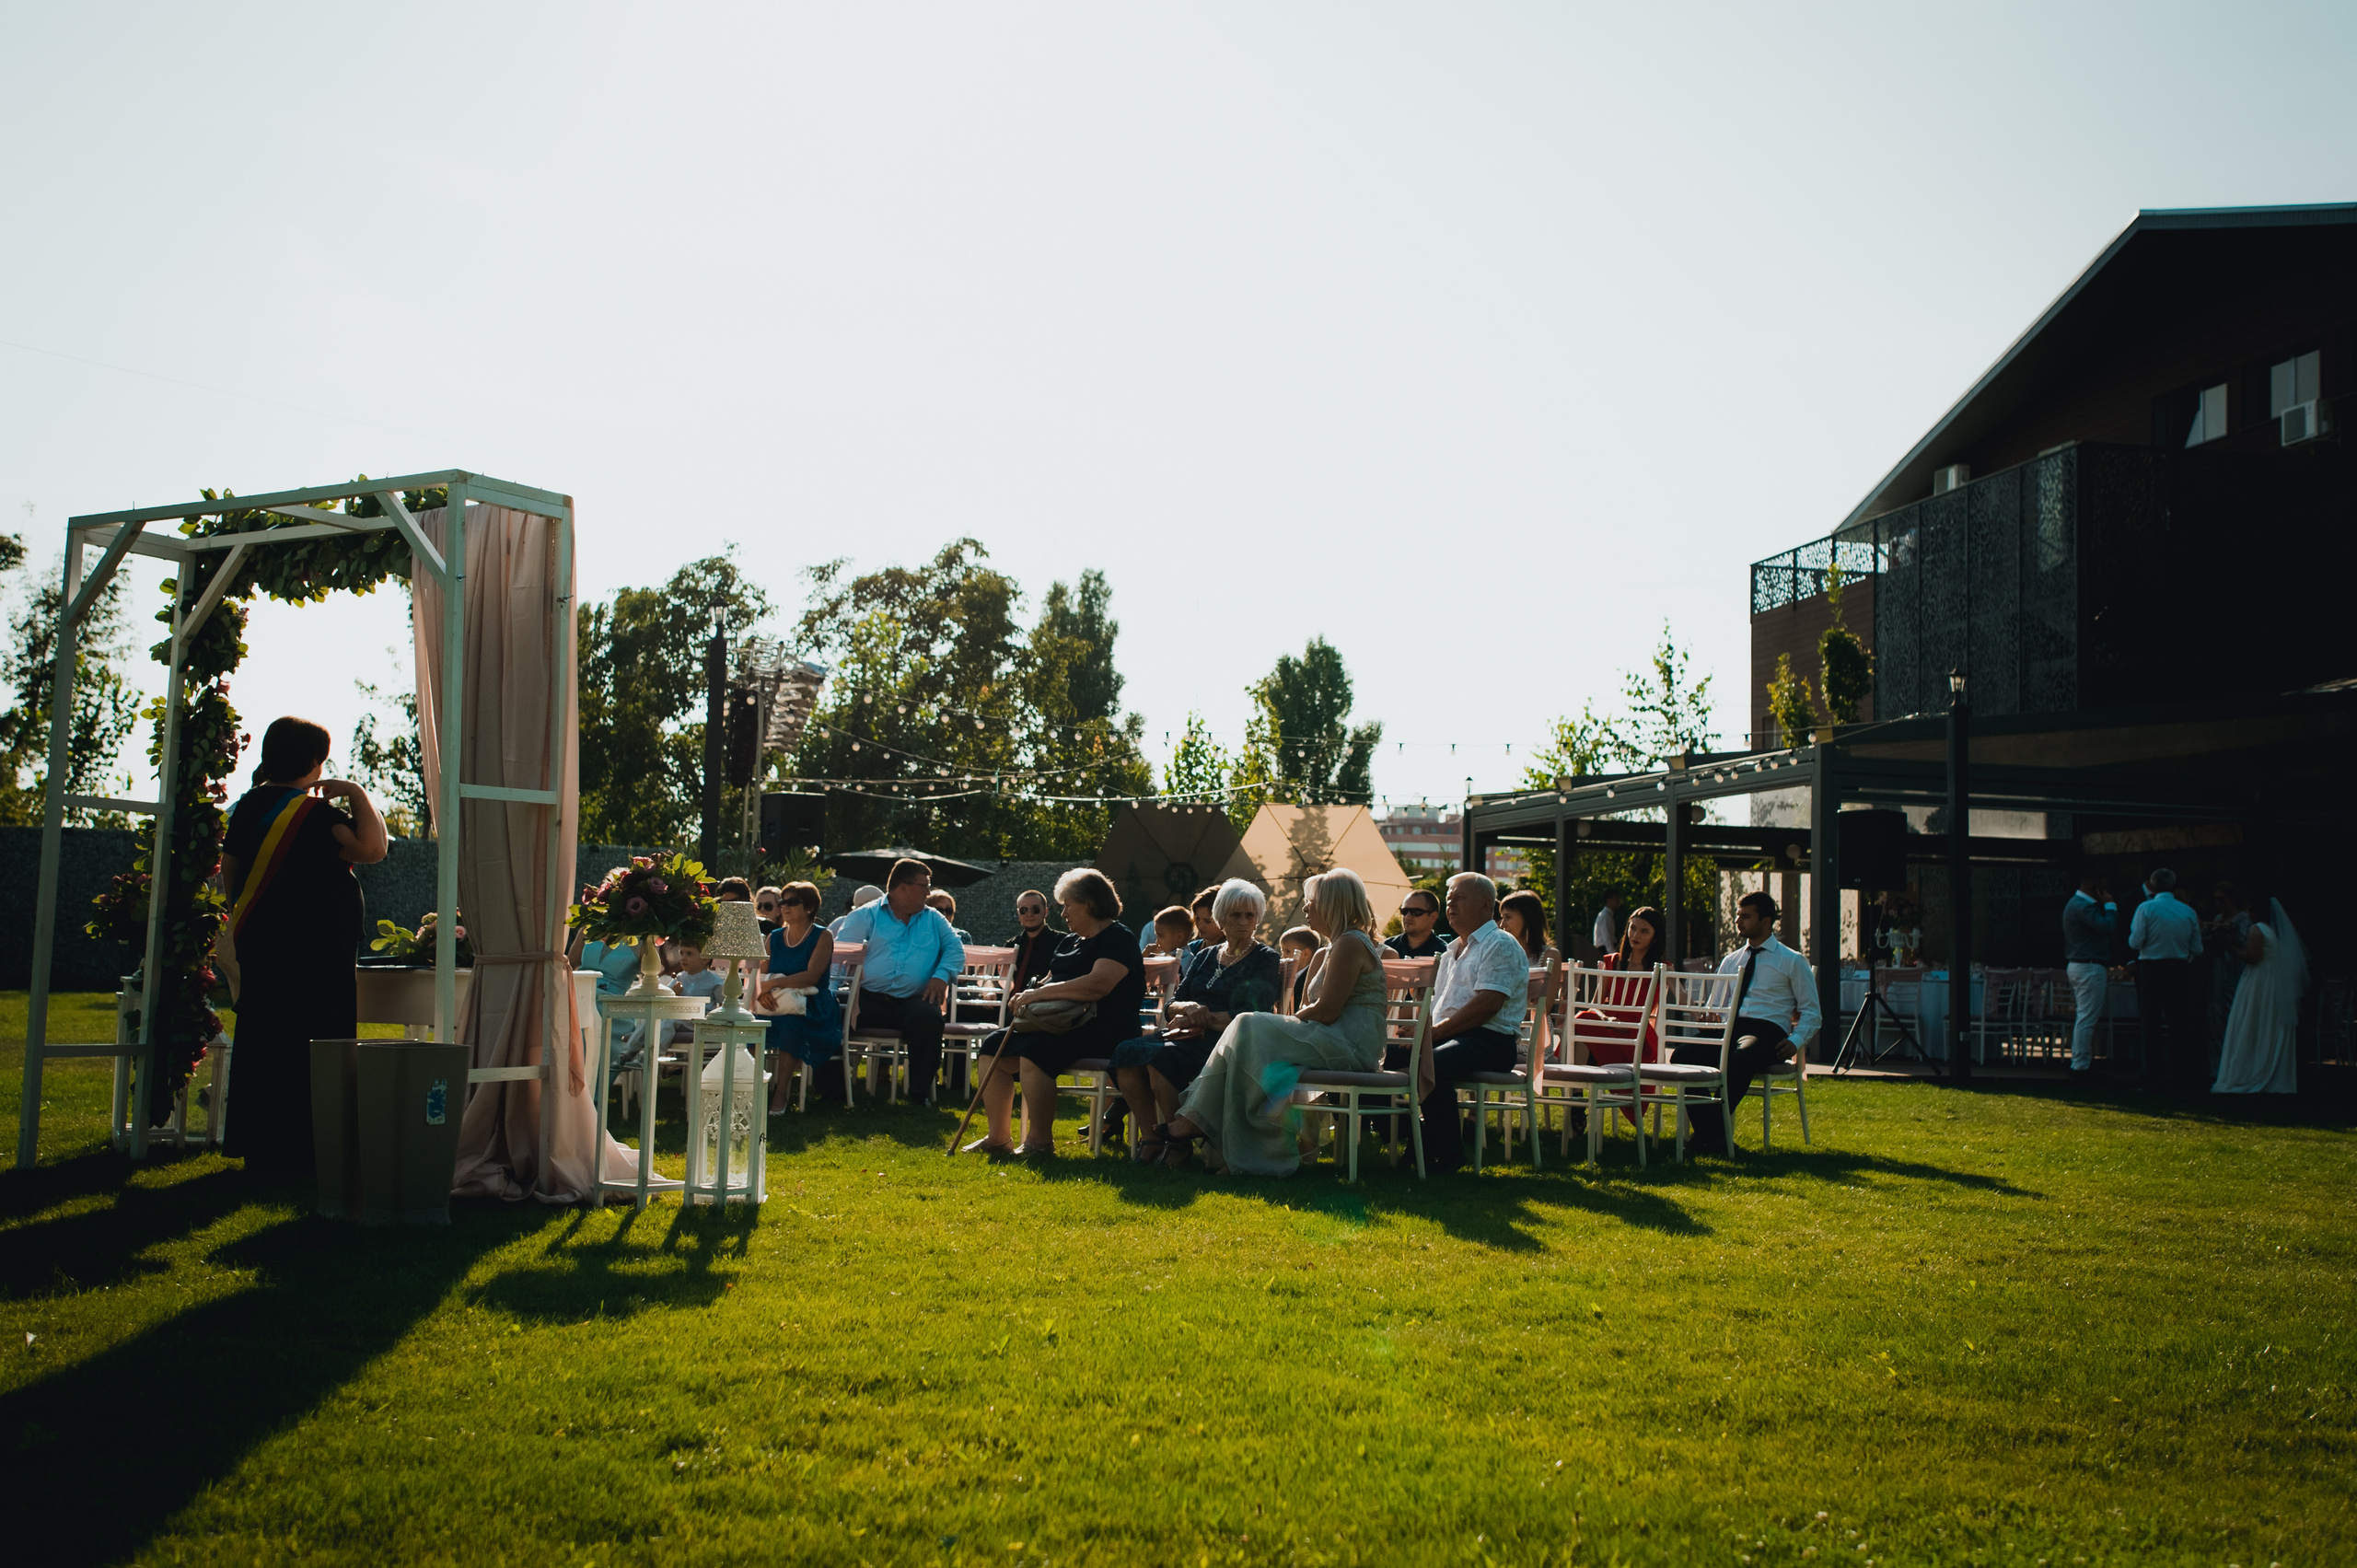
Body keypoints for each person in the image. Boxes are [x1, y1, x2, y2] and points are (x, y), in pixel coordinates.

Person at [217, 716, 389, 1176]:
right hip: (316, 953)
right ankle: (308, 1150)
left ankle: (261, 1147)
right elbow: (373, 848)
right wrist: (355, 791)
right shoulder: (311, 815)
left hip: (262, 945)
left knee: (263, 1043)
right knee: (316, 1047)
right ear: (314, 761)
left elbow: (230, 875)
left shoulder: (247, 806)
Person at [1161, 867, 1390, 1176]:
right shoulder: (1332, 947)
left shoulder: (1351, 943)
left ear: (1332, 904)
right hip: (1330, 1038)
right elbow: (1320, 1011)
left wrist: (1288, 1022)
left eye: (1312, 901)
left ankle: (1200, 1120)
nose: (1306, 907)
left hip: (1351, 1046)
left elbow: (1327, 1011)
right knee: (1250, 1047)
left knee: (1247, 1025)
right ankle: (1236, 1152)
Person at [969, 868, 1146, 1157]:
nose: (1063, 914)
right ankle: (998, 1137)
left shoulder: (1118, 938)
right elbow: (1051, 980)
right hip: (1061, 1023)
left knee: (1036, 1051)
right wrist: (1028, 996)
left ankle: (1039, 1142)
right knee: (992, 1047)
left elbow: (1096, 985)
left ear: (1088, 904)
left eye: (1067, 906)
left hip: (1104, 1026)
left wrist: (1038, 994)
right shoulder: (1069, 942)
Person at [1113, 879, 1283, 1163]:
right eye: (1235, 915)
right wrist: (1188, 1007)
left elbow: (1256, 1010)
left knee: (1159, 1058)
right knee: (1126, 1053)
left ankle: (1177, 1141)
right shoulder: (1205, 956)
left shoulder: (1264, 957)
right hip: (1186, 1032)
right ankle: (1151, 1137)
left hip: (1228, 1040)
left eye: (1249, 915)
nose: (1243, 921)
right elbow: (1171, 1005)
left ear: (1257, 920)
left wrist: (1205, 1019)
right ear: (1222, 918)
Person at [1680, 890, 1820, 1158]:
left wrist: (1795, 1041)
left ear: (1765, 921)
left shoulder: (1792, 960)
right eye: (1738, 914)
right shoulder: (1731, 960)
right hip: (1731, 1029)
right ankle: (1714, 1135)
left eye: (1746, 916)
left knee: (1743, 1056)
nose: (1738, 920)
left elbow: (1812, 1012)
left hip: (1768, 1031)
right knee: (1683, 1055)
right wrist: (1710, 1019)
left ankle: (1708, 1135)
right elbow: (1716, 1008)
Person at [1411, 873, 1533, 1174]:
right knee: (1383, 1056)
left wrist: (1435, 1033)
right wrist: (1420, 1032)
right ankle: (1415, 1145)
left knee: (1433, 1062)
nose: (1451, 903)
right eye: (1449, 898)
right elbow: (1439, 1006)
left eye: (1459, 898)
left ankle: (1449, 1154)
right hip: (1454, 1036)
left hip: (1491, 1040)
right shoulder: (1452, 950)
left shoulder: (1500, 944)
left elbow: (1488, 1005)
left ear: (1486, 904)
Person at [833, 859, 964, 1106]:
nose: (928, 892)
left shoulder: (933, 919)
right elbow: (838, 957)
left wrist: (941, 975)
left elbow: (956, 950)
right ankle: (833, 1091)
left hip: (912, 1001)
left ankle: (918, 1094)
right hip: (866, 999)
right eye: (924, 886)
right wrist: (842, 994)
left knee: (930, 1017)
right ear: (903, 887)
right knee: (830, 1011)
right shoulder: (865, 915)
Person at [757, 880, 842, 1110]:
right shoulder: (773, 937)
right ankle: (753, 1091)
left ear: (810, 907)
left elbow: (812, 976)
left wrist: (773, 983)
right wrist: (763, 992)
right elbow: (761, 975)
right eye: (782, 901)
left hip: (813, 1005)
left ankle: (780, 1093)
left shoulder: (823, 936)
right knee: (751, 1028)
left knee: (791, 1027)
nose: (785, 906)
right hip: (776, 1001)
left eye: (792, 902)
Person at [2212, 895, 2305, 1095]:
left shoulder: (2258, 929)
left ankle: (2249, 1072)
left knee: (2251, 1020)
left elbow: (2252, 957)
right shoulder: (2275, 931)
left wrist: (2228, 946)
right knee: (2267, 1022)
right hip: (2272, 979)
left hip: (2258, 980)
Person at [2128, 867, 2205, 1089]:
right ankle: (2182, 1072)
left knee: (2150, 1022)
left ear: (2152, 885)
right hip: (2178, 968)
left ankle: (2150, 1073)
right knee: (2179, 1022)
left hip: (2151, 967)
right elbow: (2197, 947)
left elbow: (2135, 942)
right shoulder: (2187, 911)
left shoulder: (2146, 908)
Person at [2061, 871, 2119, 1077]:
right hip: (2089, 965)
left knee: (2085, 1016)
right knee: (2086, 1017)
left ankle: (2082, 1061)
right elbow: (2107, 926)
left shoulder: (2076, 905)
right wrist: (2110, 905)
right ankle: (2080, 1065)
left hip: (2081, 964)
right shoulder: (2082, 906)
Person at [2204, 883, 2253, 1056]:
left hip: (2236, 967)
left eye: (2221, 900)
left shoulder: (2243, 919)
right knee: (2216, 1016)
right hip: (2219, 968)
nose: (2218, 904)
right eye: (2215, 900)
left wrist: (2227, 942)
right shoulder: (2218, 918)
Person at [1009, 889, 1062, 987]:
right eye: (1023, 910)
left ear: (1045, 912)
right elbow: (995, 978)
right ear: (1018, 913)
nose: (1029, 914)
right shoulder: (1011, 945)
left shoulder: (1062, 942)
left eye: (1035, 909)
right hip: (1009, 1001)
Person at [1499, 889, 1559, 965]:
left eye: (1508, 917)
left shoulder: (1549, 956)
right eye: (1502, 917)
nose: (1502, 925)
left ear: (1528, 918)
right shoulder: (1500, 954)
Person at [1386, 890, 1447, 959]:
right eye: (1404, 911)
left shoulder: (1445, 954)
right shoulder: (1387, 948)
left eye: (1416, 912)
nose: (1407, 916)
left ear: (1433, 917)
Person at [1278, 926, 1321, 1012]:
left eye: (1287, 952)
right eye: (1282, 952)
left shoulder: (1312, 977)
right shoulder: (1285, 973)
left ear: (1305, 953)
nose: (1283, 957)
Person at [1592, 888, 1624, 958]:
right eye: (1616, 899)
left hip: (1607, 948)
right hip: (1604, 950)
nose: (1618, 902)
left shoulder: (1609, 915)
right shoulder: (1605, 916)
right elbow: (1606, 937)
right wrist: (1613, 954)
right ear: (1608, 900)